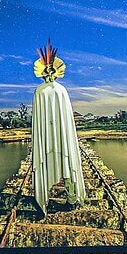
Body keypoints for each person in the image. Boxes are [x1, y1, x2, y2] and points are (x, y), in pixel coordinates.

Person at [31, 41, 85, 214]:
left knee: (64, 162)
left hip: (57, 134)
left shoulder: (57, 90)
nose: (49, 74)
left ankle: (70, 198)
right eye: (47, 71)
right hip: (52, 135)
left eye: (51, 70)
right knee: (62, 161)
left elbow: (65, 115)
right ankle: (66, 198)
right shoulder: (44, 91)